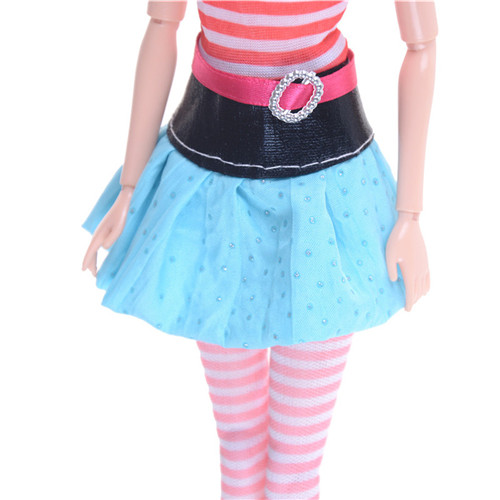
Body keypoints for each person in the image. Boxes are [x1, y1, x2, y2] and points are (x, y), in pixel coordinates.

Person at [82, 1, 437, 498]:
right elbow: (161, 27)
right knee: (239, 437)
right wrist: (130, 188)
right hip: (213, 187)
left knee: (296, 458)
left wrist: (410, 213)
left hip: (325, 195)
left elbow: (421, 47)